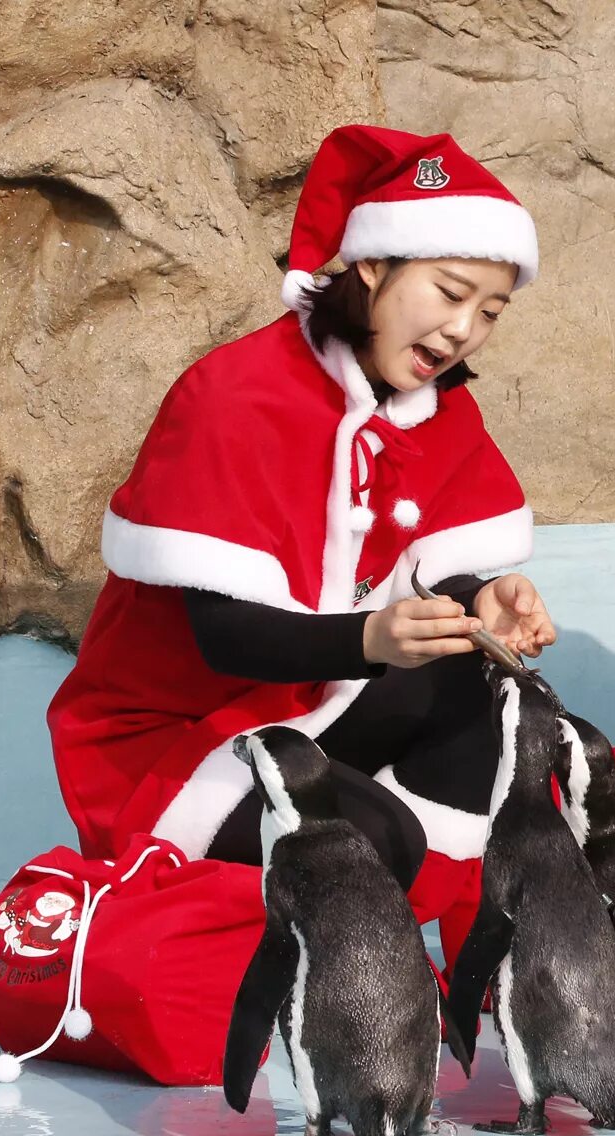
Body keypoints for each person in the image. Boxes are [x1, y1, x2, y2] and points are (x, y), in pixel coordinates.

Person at [48, 124, 552, 901]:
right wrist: (374, 637)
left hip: (308, 707)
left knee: (483, 694)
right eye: (451, 293)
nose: (463, 330)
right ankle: (337, 951)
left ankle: (460, 948)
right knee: (372, 839)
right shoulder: (233, 396)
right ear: (374, 263)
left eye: (491, 311)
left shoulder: (436, 413)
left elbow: (429, 569)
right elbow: (225, 637)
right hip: (173, 740)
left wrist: (482, 598)